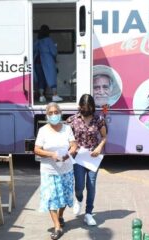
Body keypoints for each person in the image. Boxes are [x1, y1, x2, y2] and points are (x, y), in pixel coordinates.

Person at [34, 102, 77, 240]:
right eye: (50, 113)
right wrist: (51, 155)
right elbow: (37, 149)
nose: (53, 115)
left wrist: (68, 153)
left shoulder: (67, 129)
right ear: (47, 115)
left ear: (60, 113)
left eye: (56, 112)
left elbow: (73, 145)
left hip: (66, 169)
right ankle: (57, 226)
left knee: (65, 197)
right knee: (52, 198)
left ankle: (60, 215)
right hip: (49, 170)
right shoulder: (43, 130)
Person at [66, 94, 107, 226]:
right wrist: (70, 147)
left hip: (93, 158)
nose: (86, 109)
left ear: (93, 107)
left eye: (89, 107)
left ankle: (88, 213)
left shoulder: (98, 119)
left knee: (91, 184)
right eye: (83, 107)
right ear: (79, 106)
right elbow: (66, 138)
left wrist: (99, 147)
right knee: (79, 185)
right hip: (78, 157)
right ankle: (79, 199)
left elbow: (104, 136)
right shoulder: (72, 120)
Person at [34, 24, 63, 103]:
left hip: (38, 60)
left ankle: (41, 96)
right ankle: (54, 95)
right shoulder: (48, 40)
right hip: (47, 60)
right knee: (52, 76)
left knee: (41, 79)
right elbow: (54, 51)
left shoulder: (37, 41)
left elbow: (34, 49)